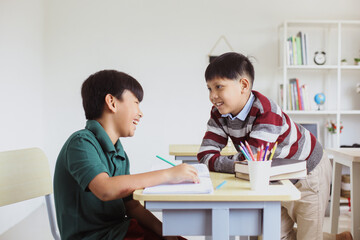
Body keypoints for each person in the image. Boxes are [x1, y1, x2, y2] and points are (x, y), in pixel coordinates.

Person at [197, 52, 352, 240]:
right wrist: (241, 163)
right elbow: (206, 155)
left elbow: (253, 161)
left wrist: (227, 162)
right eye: (209, 89)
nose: (213, 96)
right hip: (273, 176)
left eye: (219, 87)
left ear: (243, 85)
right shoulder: (218, 113)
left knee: (309, 237)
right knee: (273, 235)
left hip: (308, 171)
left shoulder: (266, 111)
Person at [54, 70, 199, 240]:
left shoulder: (118, 152)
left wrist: (166, 232)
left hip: (121, 230)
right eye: (136, 102)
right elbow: (105, 189)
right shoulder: (81, 143)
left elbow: (132, 206)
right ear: (112, 102)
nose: (140, 113)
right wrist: (168, 174)